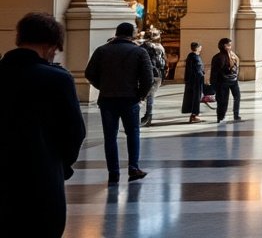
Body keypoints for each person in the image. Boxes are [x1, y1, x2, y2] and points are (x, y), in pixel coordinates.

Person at [0, 12, 85, 237]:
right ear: (50, 45)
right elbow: (75, 132)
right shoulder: (57, 79)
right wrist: (62, 166)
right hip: (41, 175)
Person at [85, 22, 153, 183]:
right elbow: (148, 78)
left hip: (107, 99)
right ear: (132, 34)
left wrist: (102, 86)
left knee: (110, 137)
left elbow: (89, 73)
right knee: (133, 133)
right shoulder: (139, 52)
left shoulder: (102, 50)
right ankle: (133, 167)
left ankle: (113, 172)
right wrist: (140, 95)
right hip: (130, 99)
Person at [209, 38, 243, 123]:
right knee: (223, 100)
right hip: (223, 81)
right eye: (229, 45)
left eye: (230, 45)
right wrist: (213, 84)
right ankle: (221, 117)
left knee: (236, 97)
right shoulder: (218, 57)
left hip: (233, 80)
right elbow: (215, 72)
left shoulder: (232, 55)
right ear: (224, 46)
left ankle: (235, 115)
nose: (230, 47)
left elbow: (236, 66)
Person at [139, 28, 167, 126]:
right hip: (158, 74)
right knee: (150, 95)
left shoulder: (143, 47)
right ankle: (148, 115)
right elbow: (164, 61)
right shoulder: (160, 47)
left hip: (147, 73)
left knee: (146, 95)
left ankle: (148, 116)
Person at [180, 42, 205, 122]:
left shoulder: (193, 56)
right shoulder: (194, 57)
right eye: (200, 47)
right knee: (196, 97)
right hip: (196, 81)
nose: (201, 48)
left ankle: (194, 114)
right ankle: (194, 115)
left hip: (194, 80)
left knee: (195, 97)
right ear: (197, 48)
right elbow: (197, 70)